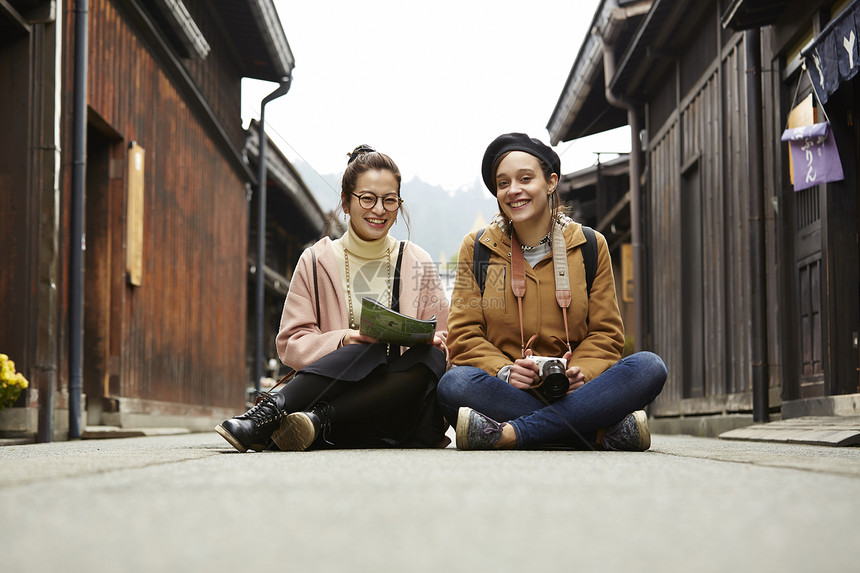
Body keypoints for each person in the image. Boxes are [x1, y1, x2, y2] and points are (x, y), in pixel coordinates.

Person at [437, 133, 667, 451]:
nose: (513, 190)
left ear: (550, 182)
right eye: (503, 183)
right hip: (507, 390)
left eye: (525, 178)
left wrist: (580, 372)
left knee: (650, 367)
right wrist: (504, 371)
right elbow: (464, 335)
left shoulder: (589, 245)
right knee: (453, 384)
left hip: (577, 390)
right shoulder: (478, 248)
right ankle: (598, 434)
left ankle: (509, 433)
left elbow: (605, 334)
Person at [216, 145, 449, 452]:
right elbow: (291, 342)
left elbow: (446, 337)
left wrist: (437, 341)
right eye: (367, 198)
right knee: (368, 347)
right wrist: (344, 340)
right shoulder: (316, 260)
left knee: (431, 356)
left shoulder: (416, 260)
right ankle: (268, 414)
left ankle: (313, 422)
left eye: (390, 200)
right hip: (337, 395)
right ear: (346, 202)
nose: (379, 209)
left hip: (401, 409)